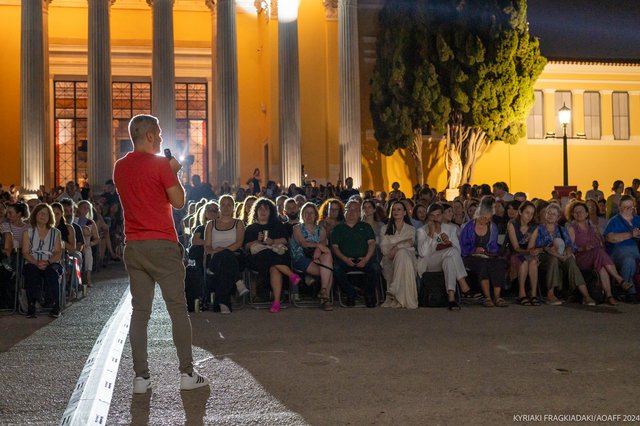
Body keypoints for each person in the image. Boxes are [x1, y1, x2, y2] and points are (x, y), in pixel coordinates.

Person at [113, 114, 209, 394]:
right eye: (160, 134)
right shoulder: (159, 164)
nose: (163, 139)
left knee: (140, 312)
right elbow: (178, 202)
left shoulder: (120, 167)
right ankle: (186, 373)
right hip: (162, 243)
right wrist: (174, 172)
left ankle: (141, 378)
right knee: (177, 309)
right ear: (151, 136)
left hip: (135, 244)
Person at [528, 203, 595, 306]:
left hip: (561, 256)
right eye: (549, 213)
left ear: (558, 217)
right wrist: (543, 249)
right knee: (553, 259)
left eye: (554, 214)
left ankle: (586, 295)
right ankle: (550, 295)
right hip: (544, 257)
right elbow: (530, 248)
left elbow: (570, 245)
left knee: (571, 261)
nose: (550, 215)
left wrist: (568, 250)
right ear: (545, 214)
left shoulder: (562, 230)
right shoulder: (539, 229)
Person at [417, 203, 481, 310]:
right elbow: (422, 253)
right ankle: (463, 285)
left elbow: (458, 251)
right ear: (429, 217)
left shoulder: (450, 229)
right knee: (451, 252)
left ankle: (451, 299)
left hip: (446, 258)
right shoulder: (422, 231)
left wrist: (449, 242)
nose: (435, 218)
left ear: (442, 216)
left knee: (450, 260)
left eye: (438, 215)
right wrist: (431, 234)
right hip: (429, 262)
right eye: (432, 215)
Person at [243, 197, 301, 313]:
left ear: (271, 212)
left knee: (275, 267)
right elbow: (246, 246)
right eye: (260, 209)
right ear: (256, 211)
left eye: (266, 209)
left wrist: (273, 242)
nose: (263, 212)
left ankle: (276, 302)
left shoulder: (278, 225)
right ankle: (291, 275)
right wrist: (257, 241)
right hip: (259, 258)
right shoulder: (251, 228)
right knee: (268, 256)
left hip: (276, 254)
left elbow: (285, 240)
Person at [566, 201, 626, 306]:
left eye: (581, 211)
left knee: (602, 265)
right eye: (575, 212)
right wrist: (583, 248)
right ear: (572, 214)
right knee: (599, 253)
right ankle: (619, 279)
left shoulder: (592, 227)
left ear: (586, 213)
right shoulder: (572, 228)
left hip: (596, 256)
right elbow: (571, 249)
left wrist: (599, 237)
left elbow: (601, 243)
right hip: (581, 258)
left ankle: (609, 296)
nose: (578, 214)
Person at [459, 196, 508, 307]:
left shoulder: (492, 227)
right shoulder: (469, 227)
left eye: (488, 218)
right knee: (482, 265)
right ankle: (487, 297)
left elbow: (494, 246)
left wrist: (488, 252)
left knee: (498, 264)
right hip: (470, 256)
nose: (485, 220)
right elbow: (463, 245)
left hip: (487, 255)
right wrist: (474, 250)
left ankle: (497, 296)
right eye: (484, 218)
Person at [331, 200, 381, 307]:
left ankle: (368, 294)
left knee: (376, 268)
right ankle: (350, 293)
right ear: (344, 212)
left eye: (355, 210)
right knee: (336, 269)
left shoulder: (366, 227)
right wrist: (345, 259)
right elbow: (335, 248)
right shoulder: (338, 228)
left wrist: (366, 259)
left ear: (359, 213)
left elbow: (372, 244)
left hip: (364, 259)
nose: (351, 213)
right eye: (349, 210)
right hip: (344, 260)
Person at [204, 195, 247, 314]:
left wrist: (222, 250)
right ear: (219, 207)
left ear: (233, 207)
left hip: (235, 256)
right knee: (223, 262)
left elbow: (238, 243)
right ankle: (238, 281)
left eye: (229, 205)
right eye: (223, 204)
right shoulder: (211, 224)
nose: (226, 207)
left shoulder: (239, 223)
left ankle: (223, 303)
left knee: (225, 258)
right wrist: (214, 252)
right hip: (215, 256)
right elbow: (207, 246)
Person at [290, 202, 334, 311]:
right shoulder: (297, 228)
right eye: (306, 213)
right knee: (329, 271)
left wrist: (319, 249)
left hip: (317, 257)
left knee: (327, 256)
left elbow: (323, 245)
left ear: (315, 215)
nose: (309, 216)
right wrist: (318, 245)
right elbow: (303, 243)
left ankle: (323, 290)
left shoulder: (321, 230)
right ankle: (325, 299)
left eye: (312, 213)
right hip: (301, 257)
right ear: (302, 215)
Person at [21, 204, 63, 318]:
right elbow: (25, 252)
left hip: (51, 261)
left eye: (46, 213)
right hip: (33, 261)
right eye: (40, 213)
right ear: (35, 215)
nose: (43, 215)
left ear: (50, 216)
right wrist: (36, 262)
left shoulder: (56, 233)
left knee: (52, 272)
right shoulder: (28, 232)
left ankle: (56, 306)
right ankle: (31, 305)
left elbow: (58, 252)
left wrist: (48, 262)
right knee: (31, 271)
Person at [379, 201, 418, 309]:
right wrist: (402, 244)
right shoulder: (385, 229)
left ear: (405, 212)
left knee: (402, 253)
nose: (396, 212)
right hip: (389, 258)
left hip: (408, 258)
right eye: (394, 209)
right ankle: (396, 289)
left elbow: (411, 243)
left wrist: (395, 247)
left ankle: (395, 288)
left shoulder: (411, 229)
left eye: (399, 209)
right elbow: (384, 249)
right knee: (402, 253)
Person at [604, 195, 640, 303]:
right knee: (629, 259)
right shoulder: (614, 221)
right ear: (619, 208)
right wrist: (630, 234)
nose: (629, 210)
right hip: (618, 252)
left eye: (631, 207)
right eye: (625, 207)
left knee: (632, 258)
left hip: (636, 251)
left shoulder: (638, 219)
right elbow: (610, 238)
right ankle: (630, 292)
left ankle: (626, 289)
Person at [505, 201, 540, 306]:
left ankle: (533, 294)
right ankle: (522, 293)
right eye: (527, 212)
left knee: (533, 262)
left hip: (527, 252)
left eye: (532, 213)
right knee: (524, 261)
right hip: (513, 252)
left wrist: (532, 252)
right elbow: (515, 247)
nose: (529, 216)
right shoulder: (512, 224)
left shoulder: (534, 227)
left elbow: (530, 246)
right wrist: (529, 251)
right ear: (520, 212)